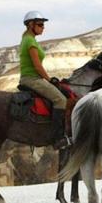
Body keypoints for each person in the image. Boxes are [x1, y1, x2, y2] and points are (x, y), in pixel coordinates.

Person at [18, 11, 70, 149]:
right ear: (30, 25)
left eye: (43, 25)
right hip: (32, 79)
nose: (43, 27)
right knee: (61, 100)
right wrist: (48, 79)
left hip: (31, 77)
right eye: (40, 24)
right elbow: (37, 66)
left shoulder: (29, 40)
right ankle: (58, 137)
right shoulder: (30, 41)